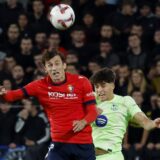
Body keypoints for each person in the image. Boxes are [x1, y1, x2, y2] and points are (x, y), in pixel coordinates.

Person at [0, 50, 98, 160]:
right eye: (50, 65)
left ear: (64, 65)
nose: (54, 68)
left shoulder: (82, 81)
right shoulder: (39, 86)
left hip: (83, 143)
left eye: (57, 63)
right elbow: (12, 96)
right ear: (45, 69)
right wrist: (3, 93)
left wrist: (83, 122)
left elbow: (93, 112)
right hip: (59, 145)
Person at [90, 67, 160, 160]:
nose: (99, 90)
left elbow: (145, 123)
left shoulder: (125, 101)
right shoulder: (90, 100)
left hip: (111, 157)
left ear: (112, 85)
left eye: (103, 86)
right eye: (96, 86)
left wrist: (153, 123)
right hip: (87, 156)